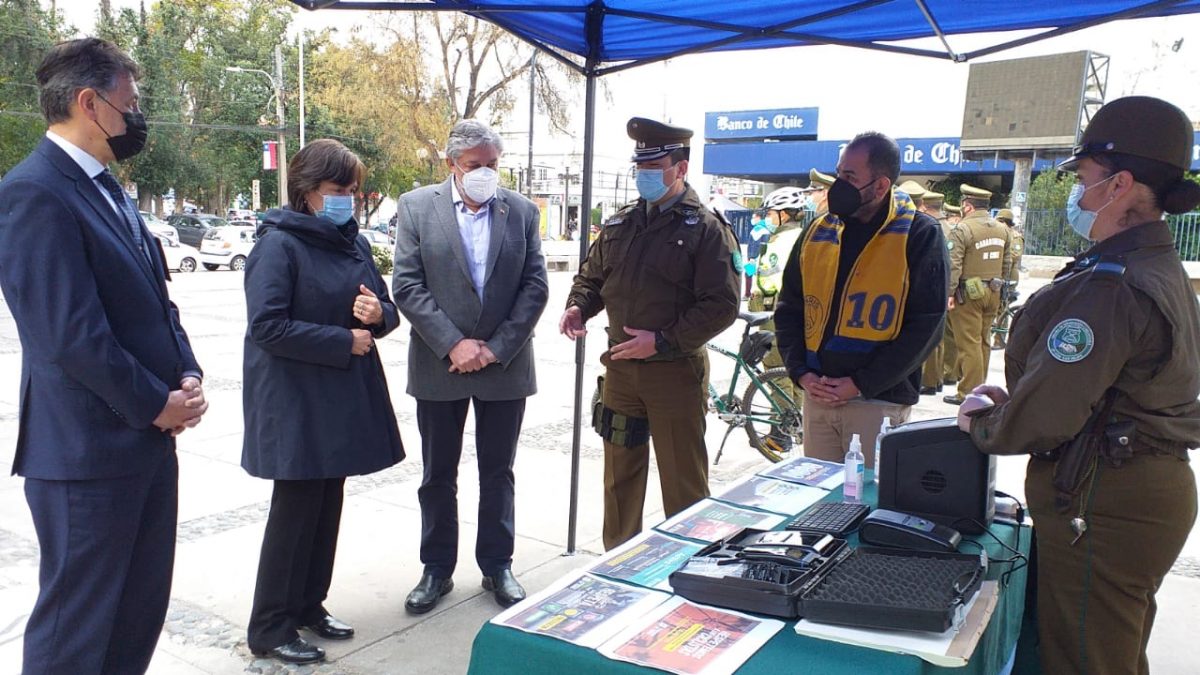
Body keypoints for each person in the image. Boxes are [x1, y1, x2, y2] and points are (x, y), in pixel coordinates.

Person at [958, 95, 1200, 675]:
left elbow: (1051, 412)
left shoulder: (1114, 284)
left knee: (1086, 659)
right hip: (1131, 488)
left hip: (1104, 498)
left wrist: (985, 424)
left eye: (1085, 178)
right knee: (1110, 650)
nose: (1076, 192)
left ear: (1118, 185)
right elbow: (1109, 386)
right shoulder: (1157, 268)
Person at [0, 38, 208, 674]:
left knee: (133, 618)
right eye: (130, 103)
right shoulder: (35, 192)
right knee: (77, 632)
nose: (136, 116)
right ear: (89, 103)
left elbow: (155, 301)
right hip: (86, 456)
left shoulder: (109, 191)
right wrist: (156, 404)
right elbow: (70, 335)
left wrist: (188, 373)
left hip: (144, 443)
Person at [241, 139, 404, 665]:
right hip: (294, 402)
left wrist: (377, 313)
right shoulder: (278, 245)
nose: (349, 200)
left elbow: (386, 308)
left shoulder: (349, 242)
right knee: (294, 514)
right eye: (339, 191)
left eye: (354, 191)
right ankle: (270, 625)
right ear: (307, 191)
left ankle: (309, 604)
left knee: (326, 508)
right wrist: (341, 340)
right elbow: (267, 326)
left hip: (336, 399)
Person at [560, 117, 740, 550]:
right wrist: (577, 305)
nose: (645, 174)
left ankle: (692, 563)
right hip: (622, 374)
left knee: (683, 483)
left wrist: (659, 341)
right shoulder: (622, 224)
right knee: (619, 479)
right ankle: (617, 562)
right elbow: (593, 276)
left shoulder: (707, 230)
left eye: (655, 165)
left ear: (680, 168)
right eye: (640, 165)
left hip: (673, 373)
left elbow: (721, 306)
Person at [393, 119, 549, 613]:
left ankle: (497, 565)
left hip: (504, 366)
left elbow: (535, 286)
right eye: (474, 165)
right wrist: (454, 344)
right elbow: (407, 285)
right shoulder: (417, 207)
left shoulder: (521, 211)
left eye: (493, 165)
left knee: (498, 473)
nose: (485, 174)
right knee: (438, 474)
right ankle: (436, 569)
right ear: (452, 165)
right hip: (441, 366)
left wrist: (495, 346)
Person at [774, 132, 948, 467]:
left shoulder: (919, 233)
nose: (839, 184)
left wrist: (859, 384)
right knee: (820, 510)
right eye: (839, 174)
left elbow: (927, 326)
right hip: (818, 398)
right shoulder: (818, 231)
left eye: (850, 177)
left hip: (877, 403)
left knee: (867, 506)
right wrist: (800, 372)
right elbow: (790, 307)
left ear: (881, 186)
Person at [943, 184, 1013, 405]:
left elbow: (954, 264)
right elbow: (1007, 262)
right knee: (983, 341)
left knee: (969, 343)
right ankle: (981, 389)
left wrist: (950, 292)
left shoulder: (963, 229)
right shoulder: (1002, 229)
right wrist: (1002, 289)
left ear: (967, 205)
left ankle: (968, 392)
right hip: (994, 289)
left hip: (969, 292)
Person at [747, 187, 812, 415]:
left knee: (775, 366)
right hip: (790, 309)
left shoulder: (783, 241)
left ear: (784, 213)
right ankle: (794, 423)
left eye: (771, 212)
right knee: (790, 369)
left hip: (772, 310)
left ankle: (780, 430)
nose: (768, 217)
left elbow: (771, 281)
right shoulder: (801, 236)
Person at [919, 191, 953, 395]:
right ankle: (937, 378)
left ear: (924, 206)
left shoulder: (930, 227)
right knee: (941, 338)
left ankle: (930, 381)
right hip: (947, 287)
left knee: (930, 337)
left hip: (933, 287)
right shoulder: (951, 227)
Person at [995, 208, 1023, 283]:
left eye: (1000, 221)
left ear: (1005, 222)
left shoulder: (1015, 236)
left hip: (1010, 275)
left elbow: (1016, 255)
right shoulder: (999, 234)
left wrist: (1002, 255)